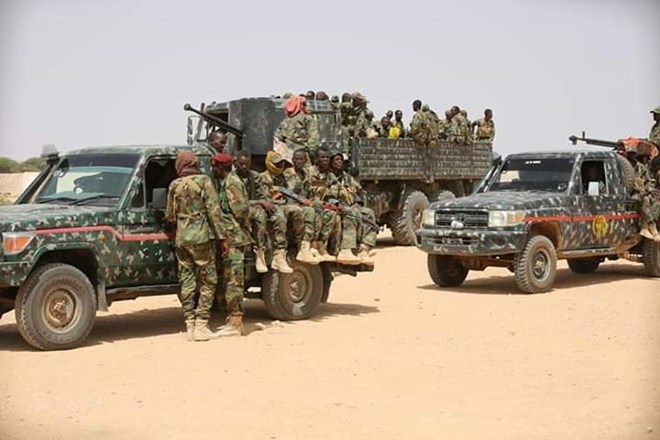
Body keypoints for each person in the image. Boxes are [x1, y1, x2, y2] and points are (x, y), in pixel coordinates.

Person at [165, 151, 225, 341]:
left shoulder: (174, 185)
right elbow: (214, 212)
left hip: (182, 238)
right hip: (201, 238)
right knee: (209, 281)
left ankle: (189, 324)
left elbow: (170, 215)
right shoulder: (204, 181)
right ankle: (202, 324)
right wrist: (222, 237)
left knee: (187, 280)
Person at [211, 152, 252, 337]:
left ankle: (236, 322)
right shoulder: (226, 182)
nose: (213, 170)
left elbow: (240, 209)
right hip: (230, 237)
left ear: (221, 167)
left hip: (234, 237)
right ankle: (233, 319)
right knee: (228, 278)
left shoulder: (232, 183)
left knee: (234, 280)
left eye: (214, 166)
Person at [234, 151, 292, 273]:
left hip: (253, 206)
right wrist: (259, 202)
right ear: (235, 163)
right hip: (239, 209)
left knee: (278, 213)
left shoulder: (254, 176)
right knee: (259, 213)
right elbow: (238, 203)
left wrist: (263, 202)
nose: (243, 167)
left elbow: (262, 196)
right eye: (241, 164)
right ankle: (259, 250)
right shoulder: (232, 179)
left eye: (246, 164)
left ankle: (279, 253)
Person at [260, 151, 318, 264]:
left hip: (284, 204)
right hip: (271, 206)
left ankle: (304, 246)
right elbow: (265, 197)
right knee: (290, 212)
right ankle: (279, 252)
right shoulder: (264, 177)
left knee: (310, 211)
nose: (279, 166)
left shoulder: (282, 177)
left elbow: (287, 193)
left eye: (280, 163)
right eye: (276, 164)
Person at [285, 148, 337, 262]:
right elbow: (288, 193)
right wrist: (306, 201)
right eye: (297, 159)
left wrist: (321, 203)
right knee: (312, 212)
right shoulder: (289, 173)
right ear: (292, 160)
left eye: (302, 159)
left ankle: (319, 245)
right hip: (292, 204)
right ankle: (306, 246)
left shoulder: (305, 174)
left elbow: (310, 193)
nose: (299, 162)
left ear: (305, 161)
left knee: (330, 213)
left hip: (305, 203)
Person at [329, 151, 377, 265]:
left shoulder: (347, 177)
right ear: (331, 162)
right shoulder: (329, 176)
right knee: (350, 213)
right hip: (334, 206)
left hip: (349, 205)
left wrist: (357, 203)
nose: (340, 162)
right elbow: (326, 196)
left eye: (341, 160)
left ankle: (364, 248)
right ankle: (346, 249)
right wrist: (337, 204)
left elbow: (358, 191)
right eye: (336, 160)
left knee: (368, 213)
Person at [274, 96, 320, 161]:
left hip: (287, 156)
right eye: (304, 104)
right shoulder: (307, 118)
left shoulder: (286, 121)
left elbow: (278, 138)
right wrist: (312, 154)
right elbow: (313, 138)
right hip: (303, 156)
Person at [633, 143, 660, 240]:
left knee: (653, 202)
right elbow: (628, 183)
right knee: (645, 200)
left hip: (644, 193)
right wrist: (640, 191)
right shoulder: (627, 167)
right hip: (632, 194)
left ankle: (648, 227)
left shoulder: (641, 168)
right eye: (645, 157)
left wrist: (650, 190)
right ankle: (650, 227)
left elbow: (649, 182)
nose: (647, 160)